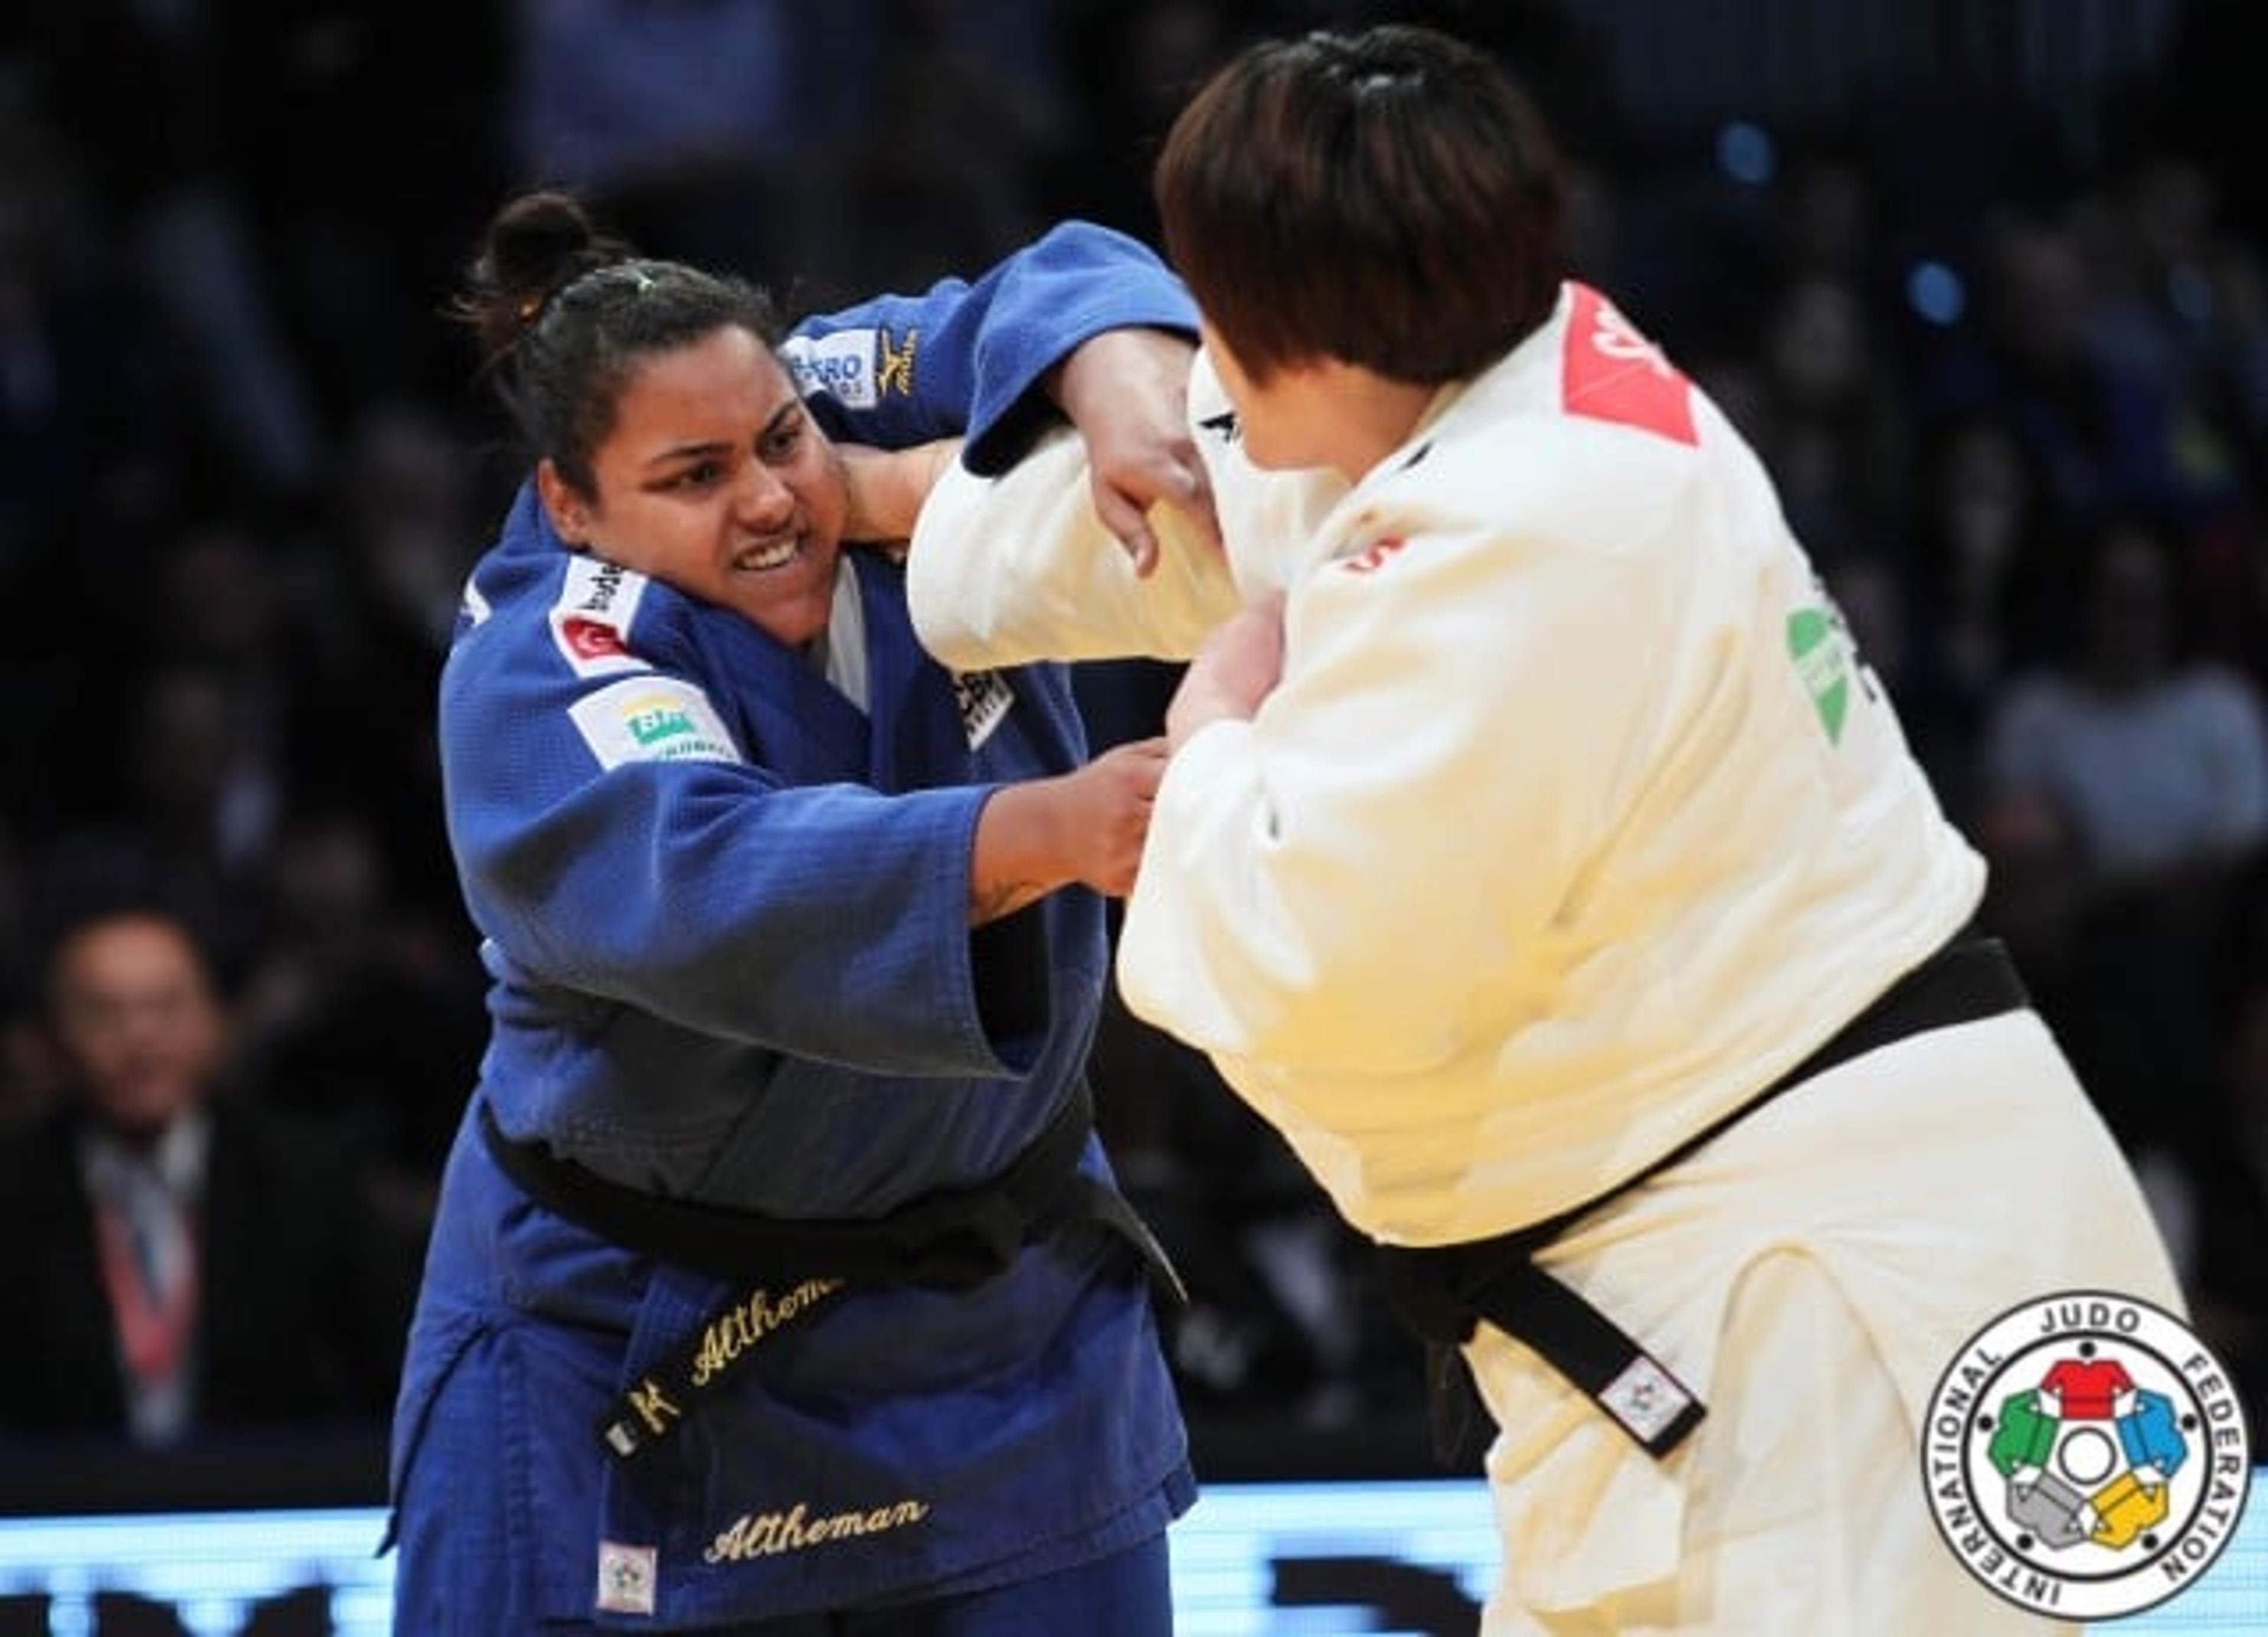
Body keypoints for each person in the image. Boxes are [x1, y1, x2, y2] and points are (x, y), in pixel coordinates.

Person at [887, 24, 2188, 1634]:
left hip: (1832, 1334)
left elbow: (1313, 958)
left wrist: (1217, 727)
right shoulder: (1520, 380)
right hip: (1863, 1252)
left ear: (1285, 322)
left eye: (1204, 301)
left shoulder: (1534, 535)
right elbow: (1212, 505)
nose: (1192, 353)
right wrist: (876, 512)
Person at [384, 190, 1216, 1635]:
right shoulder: (540, 659)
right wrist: (1046, 833)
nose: (768, 497)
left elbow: (1058, 280)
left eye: (777, 441)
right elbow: (708, 878)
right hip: (644, 1344)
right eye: (692, 477)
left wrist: (1128, 394)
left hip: (1004, 1340)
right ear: (572, 501)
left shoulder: (826, 409)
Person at [0, 896, 414, 1447]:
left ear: (214, 1021)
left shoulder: (306, 1177)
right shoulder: (13, 1187)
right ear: (53, 1038)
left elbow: (396, 1371)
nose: (139, 1036)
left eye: (165, 1007)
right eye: (104, 1012)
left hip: (264, 1513)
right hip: (56, 1516)